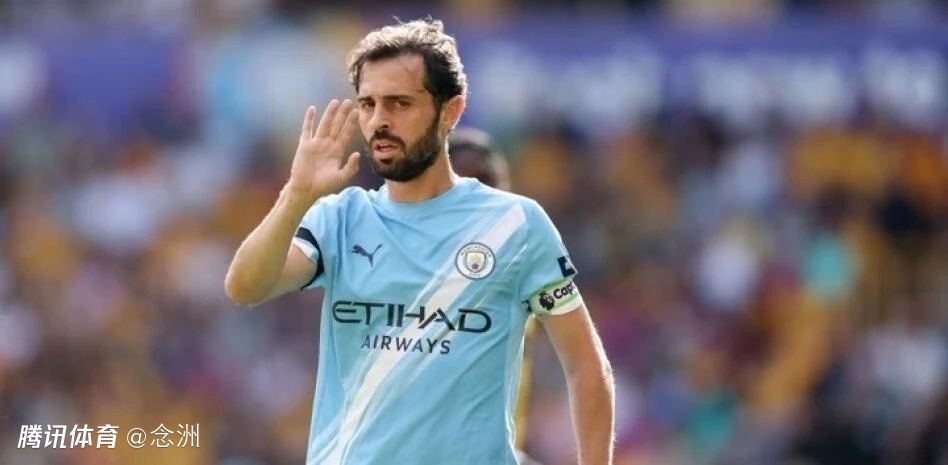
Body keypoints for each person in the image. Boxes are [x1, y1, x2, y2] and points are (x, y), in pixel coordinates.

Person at [224, 17, 615, 465]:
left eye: (399, 103)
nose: (379, 120)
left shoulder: (515, 224)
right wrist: (296, 194)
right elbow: (245, 287)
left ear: (450, 111)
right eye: (368, 104)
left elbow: (586, 366)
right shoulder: (340, 217)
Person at [448, 127, 542, 465]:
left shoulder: (523, 264)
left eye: (487, 183)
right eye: (463, 183)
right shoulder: (414, 275)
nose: (479, 197)